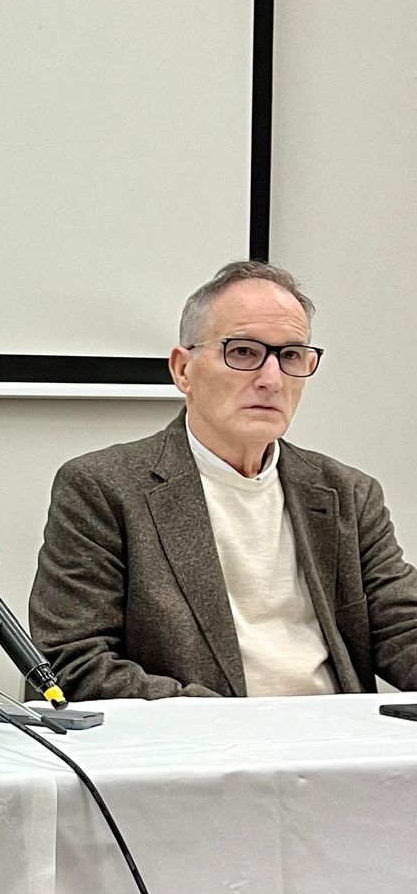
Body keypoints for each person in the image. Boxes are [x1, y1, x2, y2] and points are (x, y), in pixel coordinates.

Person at [29, 261, 417, 700]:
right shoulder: (104, 487)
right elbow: (71, 662)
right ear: (183, 370)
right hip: (196, 752)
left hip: (335, 747)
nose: (271, 379)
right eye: (244, 352)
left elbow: (403, 627)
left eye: (290, 356)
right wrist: (224, 725)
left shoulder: (348, 492)